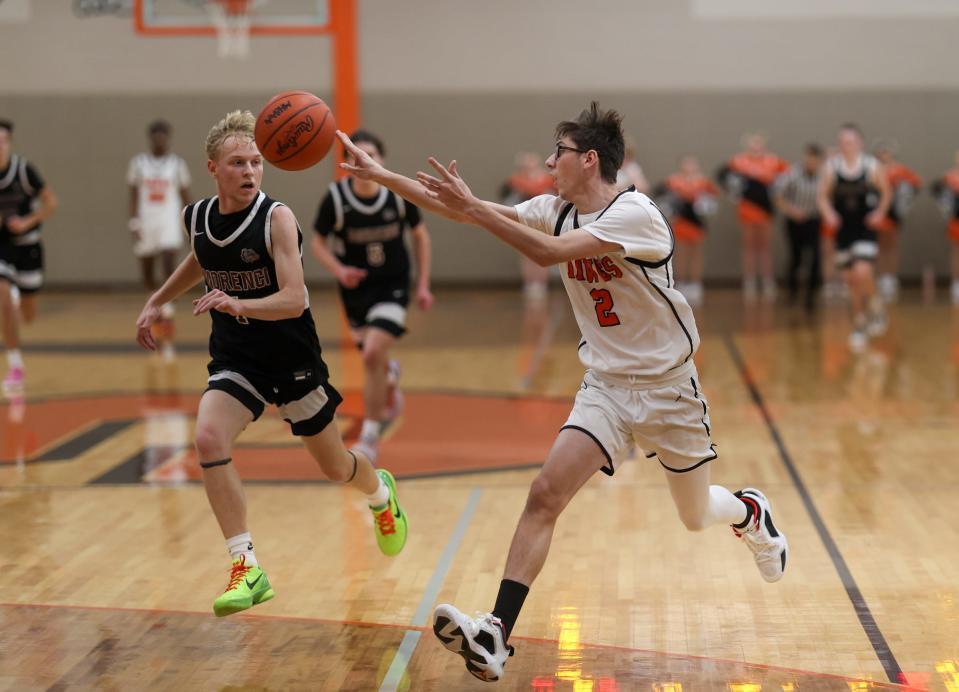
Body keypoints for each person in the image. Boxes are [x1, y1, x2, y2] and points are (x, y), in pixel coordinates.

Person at [336, 102, 789, 683]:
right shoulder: (554, 209)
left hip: (669, 389)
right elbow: (465, 211)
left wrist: (475, 206)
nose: (550, 163)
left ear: (589, 160)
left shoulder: (636, 215)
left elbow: (545, 255)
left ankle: (751, 513)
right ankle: (497, 632)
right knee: (545, 492)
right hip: (605, 387)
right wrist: (384, 178)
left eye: (560, 153)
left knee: (696, 514)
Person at [134, 111, 407, 618]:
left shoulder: (275, 218)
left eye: (256, 162)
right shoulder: (196, 216)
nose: (249, 171)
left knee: (335, 467)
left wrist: (239, 305)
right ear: (212, 167)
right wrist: (158, 298)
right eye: (237, 162)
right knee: (208, 440)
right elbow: (201, 257)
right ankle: (246, 566)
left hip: (291, 359)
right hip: (238, 358)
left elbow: (294, 299)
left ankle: (379, 493)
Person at [311, 130, 433, 462]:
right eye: (354, 155)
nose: (362, 160)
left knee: (370, 355)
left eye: (371, 155)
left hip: (392, 286)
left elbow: (420, 237)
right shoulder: (336, 199)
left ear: (382, 160)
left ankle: (369, 436)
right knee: (374, 359)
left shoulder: (397, 193)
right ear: (346, 163)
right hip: (355, 291)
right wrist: (339, 270)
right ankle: (390, 374)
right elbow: (317, 242)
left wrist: (422, 284)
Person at [817, 123, 891, 352]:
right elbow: (822, 196)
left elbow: (887, 192)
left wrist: (880, 213)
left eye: (849, 141)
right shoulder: (832, 166)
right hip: (844, 228)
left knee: (863, 271)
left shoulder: (871, 166)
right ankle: (859, 323)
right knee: (851, 279)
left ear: (859, 143)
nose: (845, 145)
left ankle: (877, 306)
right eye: (842, 141)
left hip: (865, 226)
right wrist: (829, 213)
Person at [0, 119, 58, 395]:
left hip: (29, 246)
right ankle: (15, 364)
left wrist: (26, 222)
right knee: (2, 293)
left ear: (8, 143)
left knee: (29, 314)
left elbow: (51, 203)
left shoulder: (23, 171)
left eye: (2, 141)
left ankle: (15, 299)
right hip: (3, 247)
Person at [127, 120, 192, 359]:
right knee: (146, 268)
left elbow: (186, 195)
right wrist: (133, 221)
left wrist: (190, 223)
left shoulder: (177, 165)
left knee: (168, 261)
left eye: (163, 136)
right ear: (150, 138)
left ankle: (167, 306)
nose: (160, 140)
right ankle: (151, 302)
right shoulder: (138, 164)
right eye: (156, 136)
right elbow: (133, 194)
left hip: (168, 220)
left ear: (169, 138)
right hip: (146, 220)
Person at [718, 133, 789, 301]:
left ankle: (767, 280)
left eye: (759, 145)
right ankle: (749, 281)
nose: (756, 148)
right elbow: (722, 175)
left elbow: (788, 176)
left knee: (765, 246)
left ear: (764, 146)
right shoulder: (739, 161)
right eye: (752, 145)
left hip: (765, 209)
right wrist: (733, 192)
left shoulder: (773, 161)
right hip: (747, 208)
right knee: (749, 245)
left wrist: (778, 192)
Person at [652, 155, 719, 306]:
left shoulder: (703, 182)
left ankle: (695, 284)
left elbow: (713, 197)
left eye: (692, 165)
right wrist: (668, 210)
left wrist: (707, 204)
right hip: (681, 222)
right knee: (681, 253)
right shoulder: (673, 181)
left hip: (696, 222)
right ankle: (681, 283)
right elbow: (659, 193)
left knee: (696, 253)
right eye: (686, 165)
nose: (689, 168)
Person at [772, 144, 824, 313]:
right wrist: (792, 211)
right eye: (809, 158)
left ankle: (811, 297)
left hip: (814, 220)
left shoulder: (824, 176)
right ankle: (793, 292)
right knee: (796, 258)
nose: (811, 162)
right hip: (795, 222)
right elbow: (777, 195)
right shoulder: (792, 173)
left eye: (814, 159)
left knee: (815, 258)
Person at [500, 152, 556, 301]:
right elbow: (505, 199)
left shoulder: (548, 180)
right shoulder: (514, 181)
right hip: (523, 220)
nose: (529, 167)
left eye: (531, 164)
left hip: (543, 220)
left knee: (543, 249)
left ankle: (541, 283)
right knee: (526, 253)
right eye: (525, 165)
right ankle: (530, 283)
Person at [873, 142, 922, 301]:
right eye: (882, 153)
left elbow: (916, 182)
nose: (885, 156)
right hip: (879, 209)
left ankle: (891, 277)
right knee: (880, 245)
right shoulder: (873, 169)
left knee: (892, 244)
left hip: (894, 211)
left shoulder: (899, 170)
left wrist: (904, 201)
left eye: (887, 153)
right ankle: (881, 276)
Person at [931, 151, 959, 304]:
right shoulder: (950, 176)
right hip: (956, 219)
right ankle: (956, 283)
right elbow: (935, 188)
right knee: (956, 251)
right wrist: (946, 208)